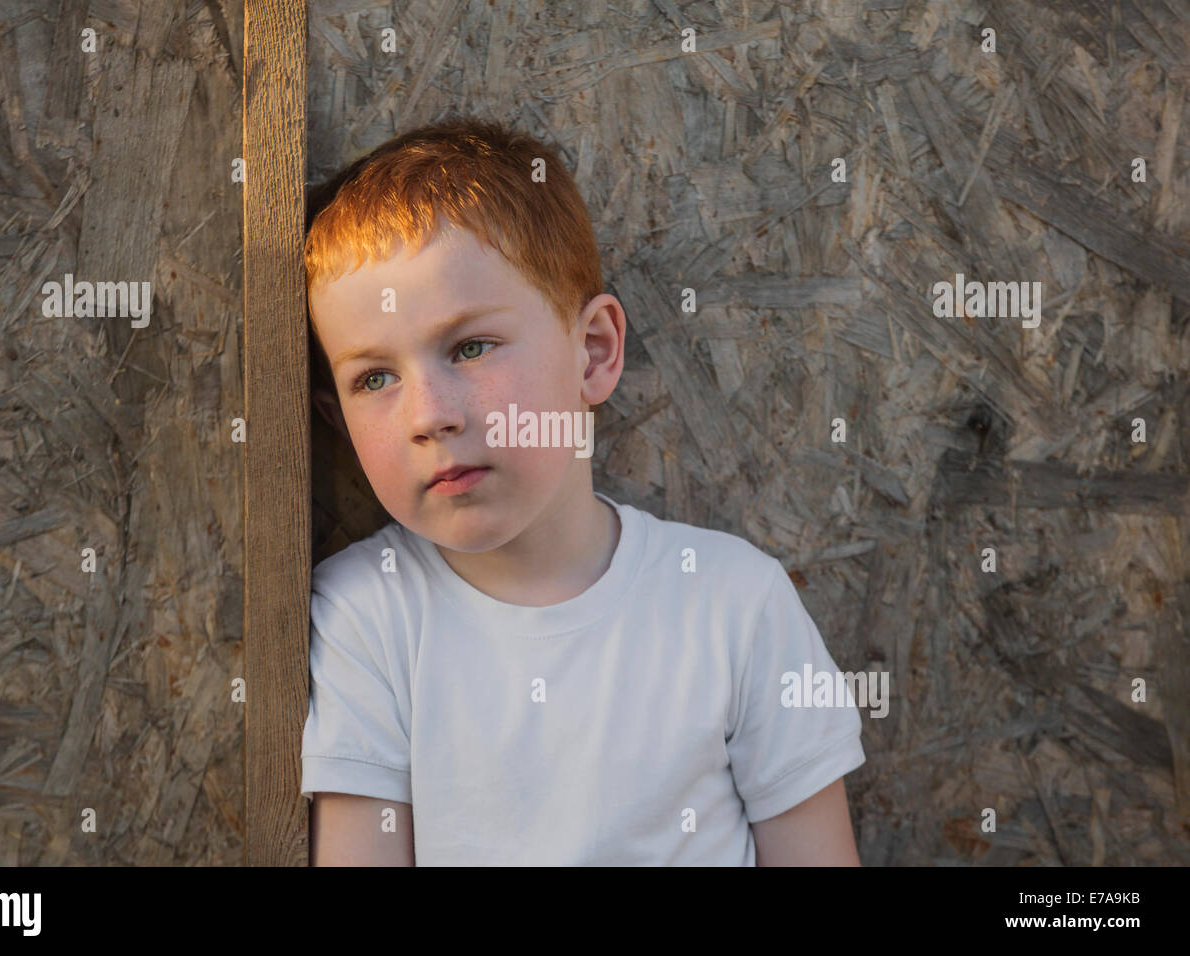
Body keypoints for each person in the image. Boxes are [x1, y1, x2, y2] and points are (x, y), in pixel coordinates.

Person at [300, 117, 866, 865]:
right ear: (336, 420)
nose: (429, 415)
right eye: (375, 378)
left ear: (593, 353)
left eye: (470, 348)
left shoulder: (736, 605)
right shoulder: (365, 617)